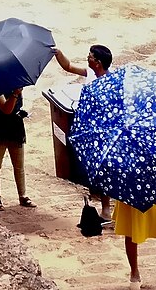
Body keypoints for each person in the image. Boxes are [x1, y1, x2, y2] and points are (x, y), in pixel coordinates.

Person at [54, 43, 114, 221]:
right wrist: (58, 53)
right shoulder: (90, 73)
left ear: (98, 62)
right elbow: (68, 66)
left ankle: (106, 209)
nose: (87, 58)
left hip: (103, 132)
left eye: (90, 56)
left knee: (104, 171)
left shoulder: (110, 82)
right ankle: (100, 200)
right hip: (89, 129)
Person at [0, 87, 34, 209]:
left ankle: (23, 195)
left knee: (19, 165)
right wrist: (15, 94)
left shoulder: (16, 82)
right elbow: (6, 109)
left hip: (15, 127)